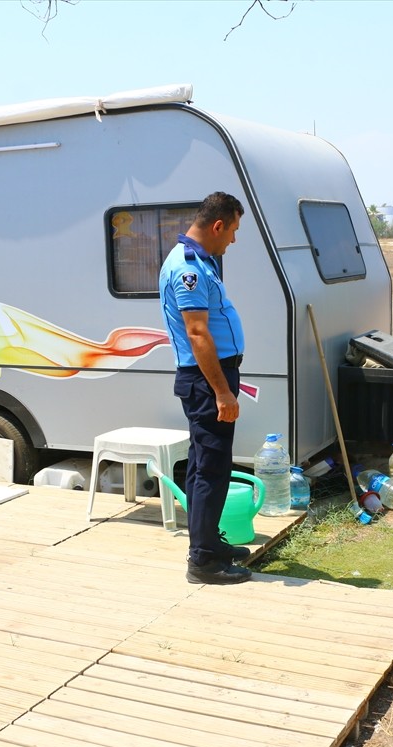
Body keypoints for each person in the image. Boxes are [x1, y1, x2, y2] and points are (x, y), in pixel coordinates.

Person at [159, 191, 252, 586]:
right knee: (211, 469)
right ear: (217, 225)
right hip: (205, 381)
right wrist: (223, 392)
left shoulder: (200, 261)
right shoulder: (188, 269)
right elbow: (198, 334)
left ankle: (210, 542)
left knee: (203, 464)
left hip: (209, 377)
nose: (233, 240)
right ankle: (202, 561)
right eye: (232, 230)